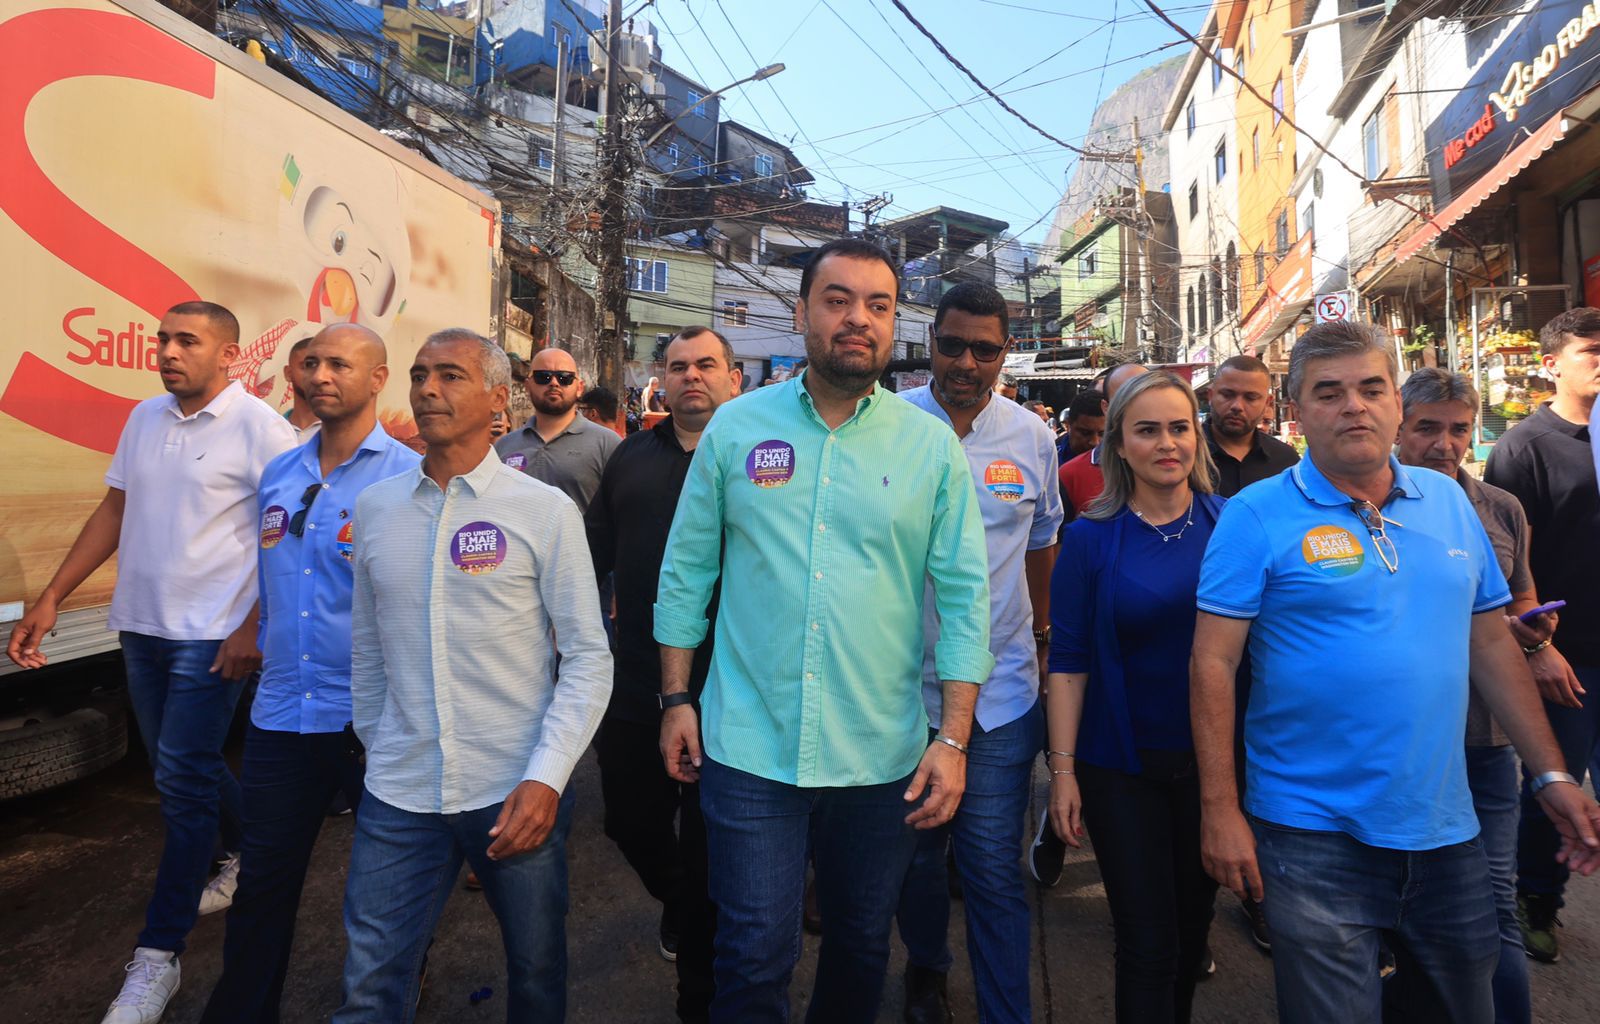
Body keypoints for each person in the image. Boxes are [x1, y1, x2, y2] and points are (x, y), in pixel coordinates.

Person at [1191, 321, 1600, 1023]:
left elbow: (1491, 647)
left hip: (1445, 825)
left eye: (1370, 387)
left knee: (1457, 1007)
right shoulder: (1254, 515)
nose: (1353, 405)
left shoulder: (1447, 504)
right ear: (1296, 411)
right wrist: (1221, 811)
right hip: (1309, 832)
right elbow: (1212, 664)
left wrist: (1553, 775)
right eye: (1329, 392)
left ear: (1393, 404)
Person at [653, 238, 994, 1023]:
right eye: (838, 300)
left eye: (878, 305)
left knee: (861, 947)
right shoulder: (736, 431)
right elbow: (687, 573)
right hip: (747, 749)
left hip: (882, 759)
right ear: (801, 312)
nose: (858, 320)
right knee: (752, 952)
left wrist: (953, 739)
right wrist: (677, 696)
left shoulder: (929, 446)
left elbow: (966, 598)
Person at [8, 301, 297, 1024]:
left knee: (177, 780)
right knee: (189, 767)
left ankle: (157, 956)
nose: (167, 351)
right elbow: (114, 511)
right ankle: (248, 854)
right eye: (163, 339)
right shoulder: (144, 419)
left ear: (228, 355)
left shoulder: (261, 428)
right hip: (141, 625)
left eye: (186, 341)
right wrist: (52, 596)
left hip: (210, 634)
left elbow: (290, 530)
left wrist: (253, 623)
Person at [333, 329, 612, 1023]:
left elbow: (586, 655)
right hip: (399, 793)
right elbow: (367, 648)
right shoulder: (376, 510)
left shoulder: (541, 512)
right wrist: (380, 741)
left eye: (450, 375)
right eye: (421, 374)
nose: (428, 388)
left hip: (513, 787)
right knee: (370, 980)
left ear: (495, 400)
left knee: (536, 972)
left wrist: (547, 777)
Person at [199, 324, 419, 1024]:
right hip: (283, 716)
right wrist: (248, 627)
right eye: (311, 362)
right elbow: (278, 573)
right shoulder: (282, 473)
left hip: (374, 721)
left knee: (387, 893)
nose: (321, 375)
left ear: (379, 379)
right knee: (264, 886)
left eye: (340, 364)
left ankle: (388, 1000)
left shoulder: (407, 479)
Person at [895, 283, 1062, 1024]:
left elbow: (1040, 545)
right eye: (952, 344)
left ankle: (1006, 1011)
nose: (967, 362)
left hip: (1001, 695)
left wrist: (1044, 640)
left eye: (985, 349)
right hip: (899, 693)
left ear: (1005, 351)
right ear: (930, 341)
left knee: (993, 868)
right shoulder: (887, 424)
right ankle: (926, 969)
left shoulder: (1032, 438)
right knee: (919, 862)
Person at [1044, 371, 1223, 1022]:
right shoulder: (1090, 538)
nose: (1167, 443)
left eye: (1180, 427)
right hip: (1119, 767)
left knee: (1192, 930)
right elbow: (1067, 661)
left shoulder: (1230, 527)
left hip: (1211, 767)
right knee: (1146, 942)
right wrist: (1062, 773)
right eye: (1147, 430)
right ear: (1118, 445)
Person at [586, 326, 741, 1022]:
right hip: (636, 682)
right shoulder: (629, 460)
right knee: (629, 823)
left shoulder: (759, 460)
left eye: (707, 365)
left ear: (733, 378)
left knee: (711, 846)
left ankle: (698, 999)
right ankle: (685, 904)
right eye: (677, 366)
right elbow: (594, 554)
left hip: (727, 688)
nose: (691, 377)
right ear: (661, 380)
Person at [1395, 367, 1552, 1024]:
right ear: (1398, 426)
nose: (1444, 443)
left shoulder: (1500, 508)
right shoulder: (1370, 509)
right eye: (1427, 427)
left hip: (1484, 741)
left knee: (1493, 909)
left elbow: (1523, 598)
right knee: (1402, 914)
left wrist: (1535, 632)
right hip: (1401, 744)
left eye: (1458, 428)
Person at [1488, 307, 1600, 965]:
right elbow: (1503, 566)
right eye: (1591, 349)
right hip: (1567, 656)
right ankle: (1536, 901)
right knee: (1553, 786)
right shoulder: (1523, 447)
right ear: (1552, 362)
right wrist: (1536, 650)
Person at [494, 346, 620, 513]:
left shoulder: (607, 444)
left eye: (564, 378)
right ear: (528, 386)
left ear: (579, 387)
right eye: (543, 377)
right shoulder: (504, 446)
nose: (554, 383)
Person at [1058, 363, 1151, 523]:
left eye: (1178, 428)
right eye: (1124, 400)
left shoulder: (1174, 464)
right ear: (1106, 407)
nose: (1094, 442)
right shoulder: (1067, 472)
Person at [1204, 355, 1299, 498]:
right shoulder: (1185, 454)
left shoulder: (1286, 460)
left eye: (1250, 398)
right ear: (1210, 395)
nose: (1237, 406)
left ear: (1267, 402)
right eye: (1227, 395)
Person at [282, 337, 322, 444]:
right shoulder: (271, 428)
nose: (318, 376)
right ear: (288, 373)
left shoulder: (343, 432)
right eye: (308, 365)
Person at [1057, 390, 1106, 464]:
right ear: (1068, 425)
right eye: (1085, 433)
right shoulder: (1049, 455)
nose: (1095, 442)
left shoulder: (1120, 464)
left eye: (1102, 434)